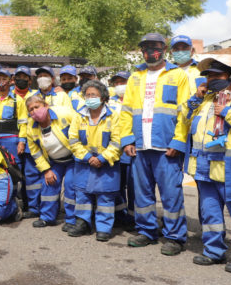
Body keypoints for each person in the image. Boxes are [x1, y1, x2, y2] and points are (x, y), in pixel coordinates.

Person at [119, 33, 190, 256]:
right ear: (141, 51)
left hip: (166, 147)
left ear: (164, 48)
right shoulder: (135, 76)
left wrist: (178, 141)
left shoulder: (178, 74)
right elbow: (126, 111)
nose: (150, 50)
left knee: (171, 194)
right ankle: (147, 231)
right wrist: (127, 139)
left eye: (155, 46)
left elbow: (185, 111)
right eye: (146, 47)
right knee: (142, 194)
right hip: (140, 146)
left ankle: (175, 237)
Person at [186, 56, 231, 273]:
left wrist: (227, 112)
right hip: (205, 169)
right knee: (210, 214)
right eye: (209, 76)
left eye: (218, 75)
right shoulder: (205, 102)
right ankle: (213, 252)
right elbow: (186, 123)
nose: (212, 79)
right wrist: (194, 101)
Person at [67, 80, 121, 241]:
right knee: (82, 195)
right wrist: (88, 157)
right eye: (88, 95)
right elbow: (73, 140)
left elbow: (117, 142)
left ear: (103, 98)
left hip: (107, 164)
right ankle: (82, 223)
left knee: (105, 197)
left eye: (94, 95)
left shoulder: (113, 116)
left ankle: (104, 228)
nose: (90, 98)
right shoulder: (79, 116)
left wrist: (103, 158)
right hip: (84, 163)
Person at [26, 95, 76, 229]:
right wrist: (46, 170)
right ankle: (47, 217)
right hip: (55, 161)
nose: (34, 111)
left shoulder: (64, 113)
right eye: (31, 109)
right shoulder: (31, 127)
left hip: (74, 159)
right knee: (49, 183)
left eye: (37, 107)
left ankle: (72, 220)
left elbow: (81, 129)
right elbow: (35, 153)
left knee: (71, 185)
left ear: (46, 106)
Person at [108, 71, 134, 227]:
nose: (119, 85)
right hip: (115, 150)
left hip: (132, 149)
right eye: (116, 83)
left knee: (134, 187)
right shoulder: (109, 102)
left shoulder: (137, 100)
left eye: (122, 82)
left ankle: (133, 219)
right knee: (116, 185)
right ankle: (119, 216)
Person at [11, 66, 38, 216]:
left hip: (31, 141)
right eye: (18, 76)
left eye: (24, 76)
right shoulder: (5, 95)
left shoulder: (36, 95)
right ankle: (14, 205)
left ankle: (32, 207)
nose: (21, 79)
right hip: (11, 141)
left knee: (31, 175)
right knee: (13, 174)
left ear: (30, 79)